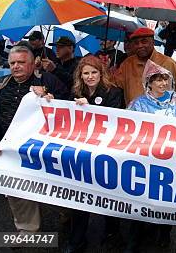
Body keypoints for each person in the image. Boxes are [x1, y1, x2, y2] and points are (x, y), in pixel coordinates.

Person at [0, 44, 68, 234]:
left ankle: (65, 216)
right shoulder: (0, 83)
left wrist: (51, 97)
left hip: (42, 146)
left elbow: (68, 102)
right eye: (12, 63)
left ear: (32, 64)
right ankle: (27, 229)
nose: (16, 66)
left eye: (21, 62)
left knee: (54, 187)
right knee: (15, 190)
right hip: (10, 147)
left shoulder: (47, 80)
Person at [126, 61, 176, 251]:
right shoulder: (137, 103)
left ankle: (164, 233)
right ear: (148, 82)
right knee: (140, 199)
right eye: (157, 79)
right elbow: (126, 129)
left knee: (166, 199)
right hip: (144, 160)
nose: (162, 83)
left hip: (170, 161)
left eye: (165, 78)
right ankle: (135, 238)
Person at [67, 55, 125, 253]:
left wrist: (90, 109)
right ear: (80, 76)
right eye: (86, 73)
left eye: (94, 72)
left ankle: (112, 233)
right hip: (82, 153)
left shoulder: (114, 92)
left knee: (107, 194)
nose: (90, 77)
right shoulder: (75, 92)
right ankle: (77, 240)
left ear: (101, 74)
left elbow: (114, 121)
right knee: (79, 197)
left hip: (105, 153)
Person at [115, 27, 176, 105]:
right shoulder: (127, 64)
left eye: (144, 42)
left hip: (162, 114)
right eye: (136, 43)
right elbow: (114, 85)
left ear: (153, 42)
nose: (140, 45)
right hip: (134, 114)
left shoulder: (167, 62)